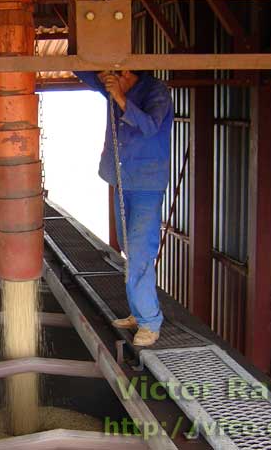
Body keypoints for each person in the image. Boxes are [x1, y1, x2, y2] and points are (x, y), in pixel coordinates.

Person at [74, 69, 174, 347]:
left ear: (126, 72)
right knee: (130, 247)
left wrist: (119, 97)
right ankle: (138, 311)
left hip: (147, 183)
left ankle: (150, 323)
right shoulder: (111, 82)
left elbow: (151, 126)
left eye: (110, 76)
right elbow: (80, 68)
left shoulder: (157, 92)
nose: (104, 81)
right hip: (122, 179)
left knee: (141, 250)